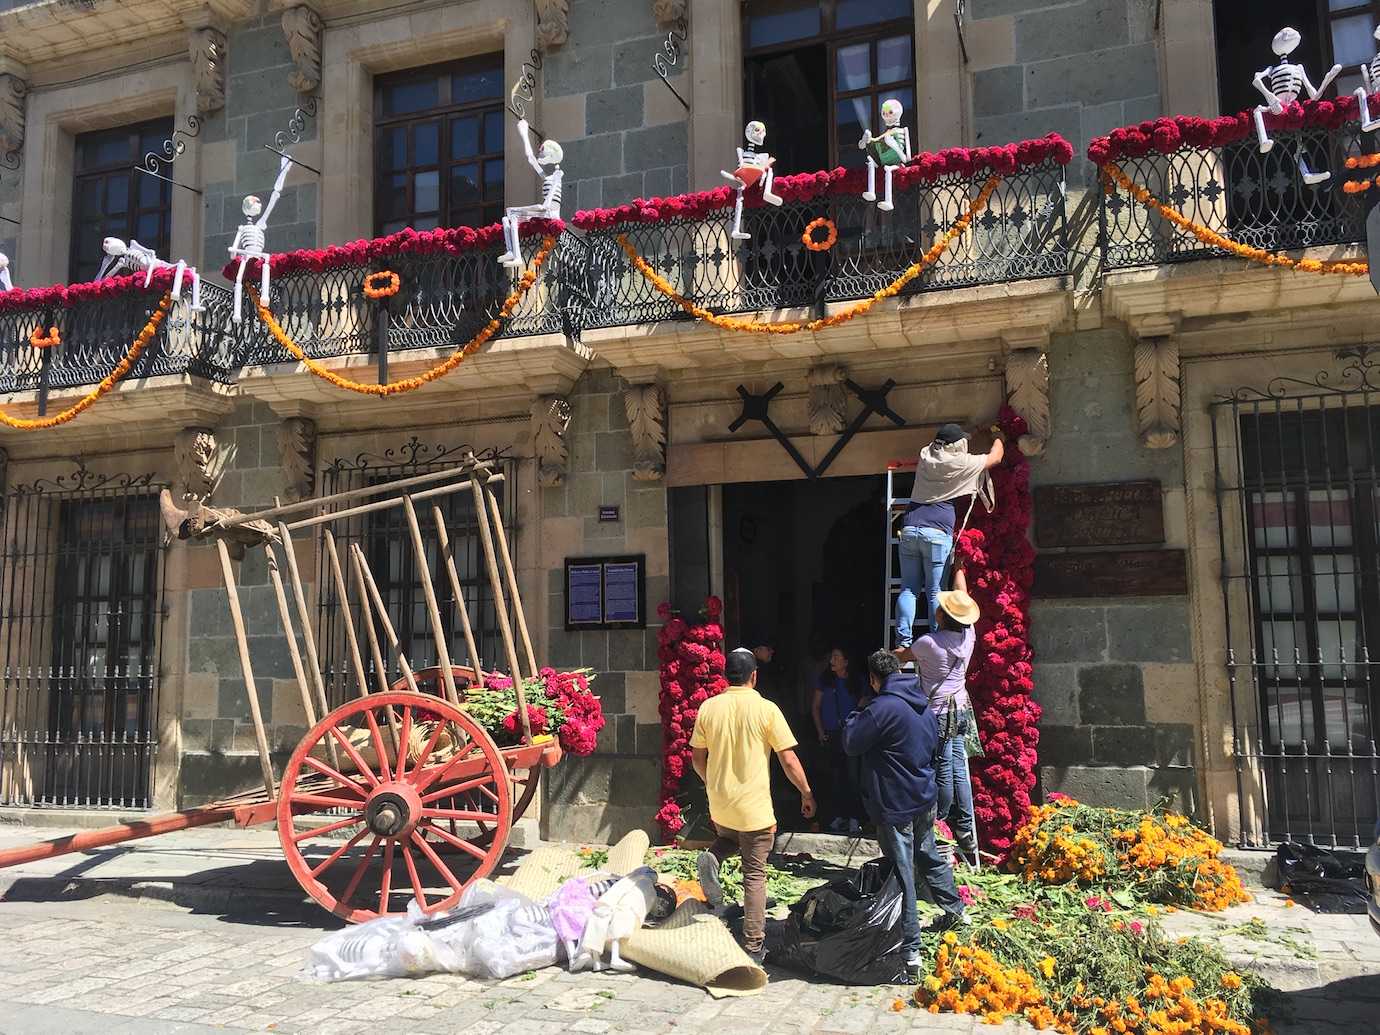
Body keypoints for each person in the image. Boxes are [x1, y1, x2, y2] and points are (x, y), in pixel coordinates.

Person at [692, 647, 816, 963]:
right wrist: (806, 792)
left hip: (720, 804)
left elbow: (697, 758)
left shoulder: (709, 707)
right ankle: (753, 944)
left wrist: (712, 783)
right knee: (755, 874)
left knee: (731, 838)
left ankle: (714, 855)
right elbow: (788, 759)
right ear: (754, 676)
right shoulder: (766, 709)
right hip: (754, 808)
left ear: (725, 676)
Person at [841, 649, 963, 968]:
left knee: (901, 870)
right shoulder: (921, 703)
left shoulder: (881, 708)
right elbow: (935, 748)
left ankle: (911, 947)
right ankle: (956, 912)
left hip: (895, 802)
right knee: (928, 854)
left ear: (873, 679)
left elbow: (852, 742)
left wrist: (856, 713)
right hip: (924, 796)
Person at [895, 423, 1002, 654]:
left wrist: (971, 432)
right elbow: (995, 458)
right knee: (936, 591)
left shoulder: (926, 454)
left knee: (908, 589)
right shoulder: (960, 463)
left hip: (911, 528)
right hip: (936, 533)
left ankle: (903, 641)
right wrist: (997, 436)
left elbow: (951, 443)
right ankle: (938, 638)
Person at [913, 568, 981, 867]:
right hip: (962, 708)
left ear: (941, 616)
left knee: (943, 769)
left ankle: (939, 823)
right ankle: (965, 829)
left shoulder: (929, 643)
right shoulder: (968, 636)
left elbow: (903, 656)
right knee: (958, 770)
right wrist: (960, 569)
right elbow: (961, 596)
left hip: (940, 713)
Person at [812, 647, 863, 835]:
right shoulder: (825, 681)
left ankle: (854, 817)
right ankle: (838, 816)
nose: (832, 660)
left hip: (851, 735)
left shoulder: (856, 682)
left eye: (836, 657)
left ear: (846, 662)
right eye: (831, 656)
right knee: (835, 777)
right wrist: (820, 731)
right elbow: (815, 707)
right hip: (831, 735)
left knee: (853, 778)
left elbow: (865, 702)